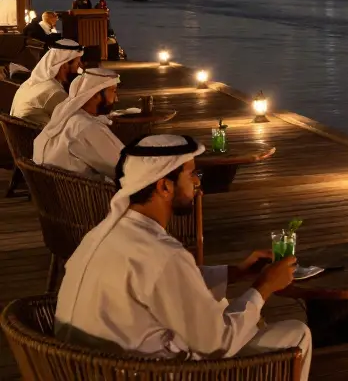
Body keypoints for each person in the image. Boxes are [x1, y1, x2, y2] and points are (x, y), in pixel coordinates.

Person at [55, 135, 311, 378]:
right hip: (146, 374)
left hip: (88, 369)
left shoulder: (102, 235)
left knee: (231, 311)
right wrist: (263, 287)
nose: (198, 182)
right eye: (191, 175)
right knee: (296, 335)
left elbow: (164, 282)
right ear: (165, 186)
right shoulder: (162, 253)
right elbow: (218, 345)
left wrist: (236, 272)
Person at [33, 68, 123, 181]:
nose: (117, 98)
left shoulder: (67, 117)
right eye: (113, 91)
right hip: (87, 195)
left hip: (60, 190)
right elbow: (122, 168)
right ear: (95, 94)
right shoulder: (85, 127)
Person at [10, 39, 83, 124]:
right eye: (78, 63)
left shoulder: (28, 84)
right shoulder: (54, 92)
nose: (79, 68)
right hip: (38, 135)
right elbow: (77, 121)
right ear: (64, 65)